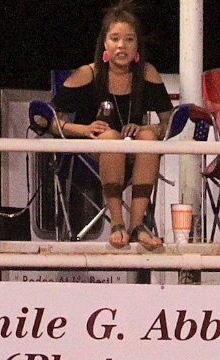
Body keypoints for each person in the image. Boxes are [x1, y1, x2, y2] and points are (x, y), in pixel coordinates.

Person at [52, 1, 173, 251]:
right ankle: (117, 223)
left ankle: (137, 225)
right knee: (111, 136)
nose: (122, 45)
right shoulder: (89, 74)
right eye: (115, 38)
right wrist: (84, 129)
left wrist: (149, 130)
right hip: (92, 154)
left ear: (137, 45)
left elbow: (168, 119)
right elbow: (50, 119)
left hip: (135, 152)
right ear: (104, 44)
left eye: (129, 39)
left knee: (149, 138)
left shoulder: (147, 73)